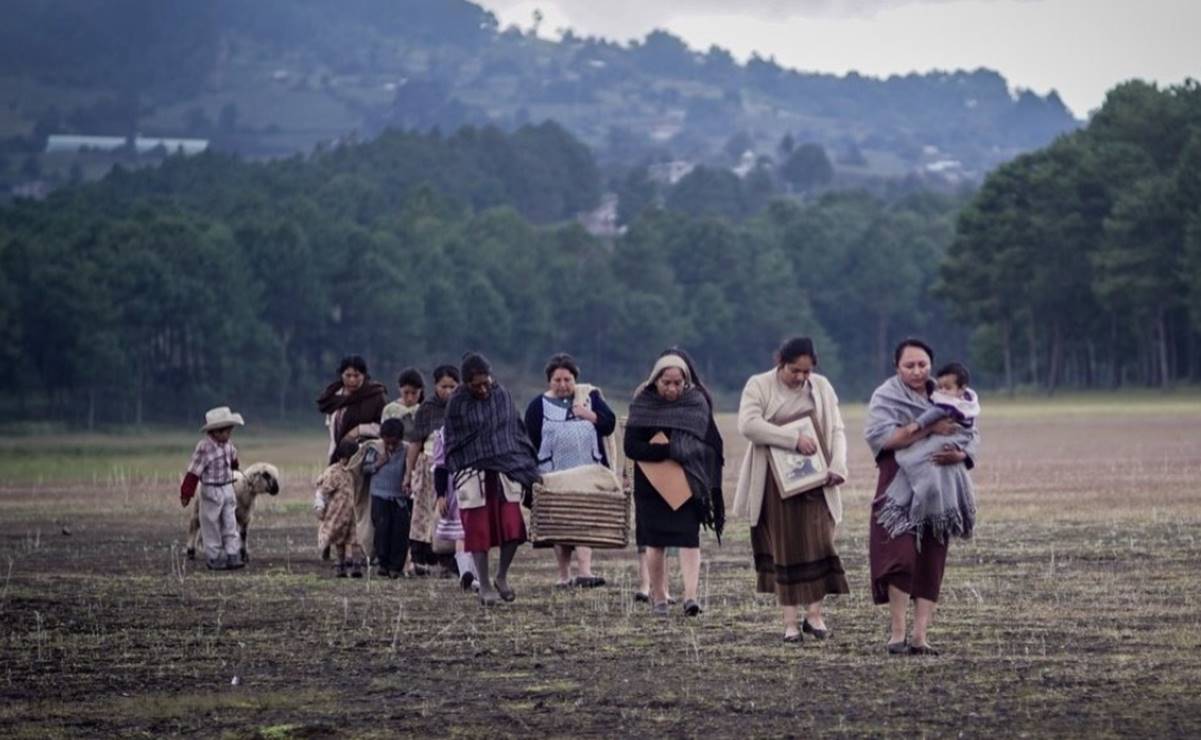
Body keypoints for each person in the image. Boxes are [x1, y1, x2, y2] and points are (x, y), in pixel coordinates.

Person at [865, 338, 980, 656]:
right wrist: (927, 430)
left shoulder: (946, 391)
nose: (917, 371)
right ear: (896, 367)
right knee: (899, 554)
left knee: (933, 554)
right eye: (909, 365)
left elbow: (971, 433)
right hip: (897, 480)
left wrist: (961, 455)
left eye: (922, 365)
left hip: (941, 483)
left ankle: (920, 637)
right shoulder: (885, 396)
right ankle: (897, 634)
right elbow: (883, 438)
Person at [734, 337, 850, 643]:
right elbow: (748, 425)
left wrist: (838, 465)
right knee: (785, 548)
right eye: (794, 370)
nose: (800, 377)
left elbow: (836, 430)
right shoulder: (758, 385)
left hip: (818, 481)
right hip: (776, 483)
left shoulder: (822, 388)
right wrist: (792, 440)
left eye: (806, 371)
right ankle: (789, 622)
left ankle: (814, 615)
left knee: (821, 544)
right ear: (780, 363)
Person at [624, 349, 724, 617]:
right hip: (651, 485)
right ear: (655, 380)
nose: (672, 388)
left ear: (686, 381)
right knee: (655, 542)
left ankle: (691, 597)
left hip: (687, 482)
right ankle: (658, 598)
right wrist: (668, 451)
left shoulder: (696, 403)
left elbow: (710, 442)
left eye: (678, 383)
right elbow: (631, 447)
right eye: (666, 382)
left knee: (689, 540)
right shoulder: (642, 403)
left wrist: (693, 456)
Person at [438, 353, 541, 606]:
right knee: (478, 531)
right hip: (473, 474)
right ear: (466, 384)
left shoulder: (502, 395)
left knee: (513, 527)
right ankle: (483, 584)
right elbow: (454, 442)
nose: (483, 389)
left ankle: (502, 577)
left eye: (486, 382)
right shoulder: (457, 403)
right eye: (476, 385)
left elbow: (514, 431)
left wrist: (525, 465)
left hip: (505, 470)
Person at [524, 352, 617, 588]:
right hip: (554, 475)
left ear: (575, 379)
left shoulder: (590, 397)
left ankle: (585, 571)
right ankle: (563, 575)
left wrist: (589, 415)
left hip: (587, 473)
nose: (563, 385)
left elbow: (609, 424)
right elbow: (529, 441)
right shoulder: (537, 406)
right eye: (558, 380)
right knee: (559, 524)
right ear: (549, 381)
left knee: (584, 521)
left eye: (568, 380)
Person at [315, 355, 387, 560]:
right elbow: (332, 425)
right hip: (337, 454)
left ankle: (361, 548)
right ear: (341, 375)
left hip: (363, 456)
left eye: (357, 375)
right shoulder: (335, 395)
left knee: (359, 503)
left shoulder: (375, 395)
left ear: (364, 375)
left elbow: (385, 426)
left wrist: (358, 429)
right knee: (333, 499)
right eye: (348, 375)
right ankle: (329, 541)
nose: (352, 380)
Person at [405, 365, 461, 576]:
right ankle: (422, 562)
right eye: (443, 386)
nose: (448, 391)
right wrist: (408, 473)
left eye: (452, 386)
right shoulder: (427, 408)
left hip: (455, 467)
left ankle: (451, 562)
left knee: (450, 513)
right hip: (428, 466)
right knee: (424, 515)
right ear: (435, 386)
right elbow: (414, 442)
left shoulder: (464, 406)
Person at [179, 406, 246, 571]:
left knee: (230, 522)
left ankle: (232, 554)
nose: (229, 435)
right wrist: (186, 492)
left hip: (227, 488)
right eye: (226, 432)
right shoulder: (204, 447)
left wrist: (236, 467)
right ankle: (214, 557)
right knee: (211, 525)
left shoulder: (228, 444)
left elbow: (233, 459)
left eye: (230, 431)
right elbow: (194, 471)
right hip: (211, 490)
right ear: (215, 432)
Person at [362, 418, 410, 579]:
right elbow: (365, 469)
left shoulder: (407, 450)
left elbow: (412, 467)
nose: (390, 446)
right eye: (387, 442)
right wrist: (378, 464)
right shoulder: (374, 449)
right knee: (382, 531)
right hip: (379, 496)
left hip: (400, 498)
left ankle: (396, 567)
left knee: (400, 533)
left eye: (394, 443)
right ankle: (383, 564)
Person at [314, 438, 365, 577]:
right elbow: (323, 491)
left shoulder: (356, 472)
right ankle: (340, 564)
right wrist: (319, 506)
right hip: (338, 513)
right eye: (346, 458)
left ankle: (356, 565)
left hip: (353, 512)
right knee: (339, 540)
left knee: (356, 539)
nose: (348, 461)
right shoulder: (334, 472)